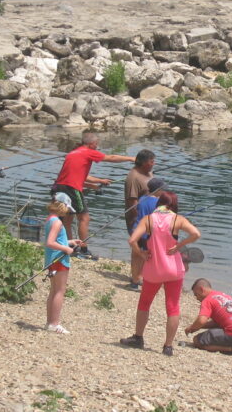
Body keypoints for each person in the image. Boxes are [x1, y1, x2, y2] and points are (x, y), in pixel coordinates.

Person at [120, 191, 200, 356]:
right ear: (173, 205)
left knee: (144, 303)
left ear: (160, 203)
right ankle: (168, 346)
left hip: (154, 269)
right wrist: (180, 245)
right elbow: (196, 234)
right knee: (172, 307)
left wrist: (141, 254)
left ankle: (138, 337)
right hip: (174, 270)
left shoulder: (148, 219)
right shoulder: (178, 219)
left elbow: (132, 240)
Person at [50, 131, 135, 260]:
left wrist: (99, 182)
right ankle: (84, 249)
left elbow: (78, 177)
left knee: (67, 219)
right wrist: (131, 159)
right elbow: (110, 158)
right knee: (84, 218)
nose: (97, 146)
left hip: (59, 187)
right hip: (71, 189)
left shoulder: (74, 153)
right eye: (96, 144)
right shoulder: (88, 151)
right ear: (92, 143)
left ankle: (69, 245)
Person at [43, 196, 84, 335]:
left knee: (53, 291)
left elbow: (57, 240)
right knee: (59, 291)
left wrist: (70, 242)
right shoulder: (57, 223)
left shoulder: (50, 219)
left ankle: (49, 323)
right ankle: (54, 323)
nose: (67, 212)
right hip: (59, 260)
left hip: (51, 259)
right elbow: (50, 242)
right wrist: (67, 249)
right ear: (62, 206)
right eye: (67, 208)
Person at [184, 278, 232, 356]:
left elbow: (201, 321)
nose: (197, 298)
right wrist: (199, 327)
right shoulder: (222, 295)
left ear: (202, 289)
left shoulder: (207, 300)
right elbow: (218, 323)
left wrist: (192, 328)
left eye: (196, 295)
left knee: (197, 341)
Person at [124, 149, 156, 290]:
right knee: (138, 245)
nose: (153, 164)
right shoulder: (133, 177)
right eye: (151, 162)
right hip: (138, 218)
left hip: (151, 217)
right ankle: (135, 279)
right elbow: (132, 202)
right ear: (143, 162)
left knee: (147, 245)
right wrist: (138, 221)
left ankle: (142, 275)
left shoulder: (148, 173)